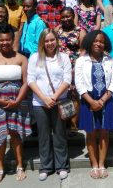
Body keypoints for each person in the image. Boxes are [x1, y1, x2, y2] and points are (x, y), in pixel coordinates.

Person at [0, 25, 31, 183]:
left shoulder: (21, 58)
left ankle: (20, 166)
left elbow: (26, 82)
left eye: (8, 39)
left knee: (16, 135)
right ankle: (0, 168)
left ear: (12, 40)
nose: (5, 43)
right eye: (2, 40)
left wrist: (18, 100)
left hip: (17, 101)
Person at [27, 29, 72, 181]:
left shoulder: (63, 57)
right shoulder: (34, 58)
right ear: (42, 42)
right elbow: (30, 80)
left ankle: (62, 166)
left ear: (57, 40)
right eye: (46, 41)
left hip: (59, 101)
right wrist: (44, 98)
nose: (50, 43)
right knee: (44, 136)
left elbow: (67, 79)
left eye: (52, 40)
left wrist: (53, 97)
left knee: (60, 134)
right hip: (39, 103)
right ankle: (46, 166)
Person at [75, 30, 113, 179]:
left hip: (106, 100)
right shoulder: (81, 60)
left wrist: (102, 100)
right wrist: (91, 101)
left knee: (104, 132)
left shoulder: (110, 60)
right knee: (91, 132)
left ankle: (101, 163)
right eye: (96, 41)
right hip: (88, 100)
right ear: (90, 42)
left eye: (102, 42)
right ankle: (93, 164)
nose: (99, 44)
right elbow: (79, 84)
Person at [55, 7, 86, 132]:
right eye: (63, 17)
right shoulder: (57, 30)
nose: (66, 19)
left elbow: (83, 51)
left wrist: (76, 67)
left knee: (73, 94)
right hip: (59, 66)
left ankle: (74, 124)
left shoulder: (80, 31)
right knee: (61, 94)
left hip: (74, 66)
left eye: (68, 16)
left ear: (73, 16)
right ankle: (63, 122)